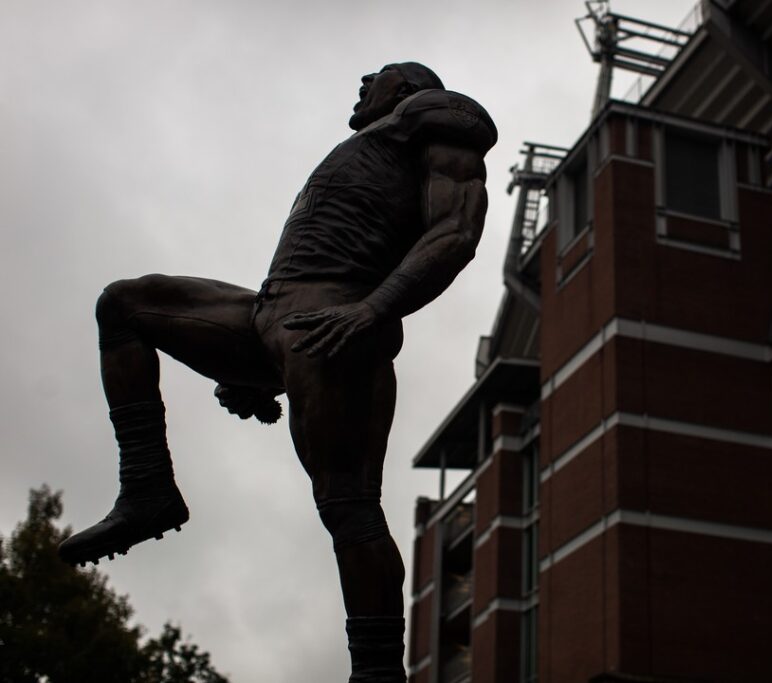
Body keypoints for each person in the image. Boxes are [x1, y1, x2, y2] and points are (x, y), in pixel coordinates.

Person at [58, 62, 496, 681]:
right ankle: (148, 487)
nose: (363, 78)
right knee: (124, 304)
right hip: (273, 313)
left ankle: (376, 673)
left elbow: (455, 232)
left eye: (379, 76)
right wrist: (253, 371)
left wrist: (373, 308)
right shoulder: (371, 146)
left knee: (349, 507)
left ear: (405, 89)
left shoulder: (439, 115)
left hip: (332, 316)